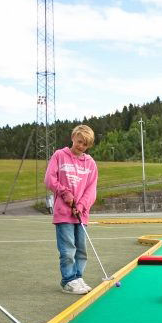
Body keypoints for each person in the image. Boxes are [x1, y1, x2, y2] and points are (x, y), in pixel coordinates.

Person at [44, 125, 98, 294]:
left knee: (81, 249)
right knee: (68, 250)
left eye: (85, 144)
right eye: (79, 141)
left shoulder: (90, 163)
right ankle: (68, 280)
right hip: (63, 213)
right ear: (73, 137)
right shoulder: (59, 156)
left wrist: (81, 205)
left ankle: (78, 277)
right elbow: (49, 179)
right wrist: (64, 192)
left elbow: (91, 189)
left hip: (81, 214)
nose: (81, 146)